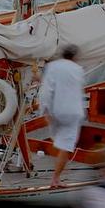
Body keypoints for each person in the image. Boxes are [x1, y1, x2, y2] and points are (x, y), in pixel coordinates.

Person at [37, 44, 85, 187]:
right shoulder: (78, 70)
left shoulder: (52, 67)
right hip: (72, 112)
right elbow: (78, 92)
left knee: (58, 138)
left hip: (56, 110)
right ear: (74, 57)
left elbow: (46, 90)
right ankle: (56, 179)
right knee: (66, 146)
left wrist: (45, 110)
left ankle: (59, 162)